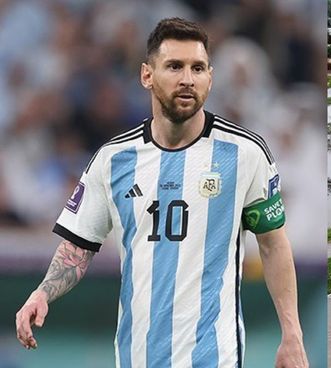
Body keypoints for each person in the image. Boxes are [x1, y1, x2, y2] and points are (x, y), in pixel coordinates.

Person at [15, 17, 308, 368]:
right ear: (147, 75)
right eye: (175, 66)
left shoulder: (245, 153)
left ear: (210, 79)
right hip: (136, 356)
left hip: (215, 358)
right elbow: (79, 245)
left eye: (198, 68)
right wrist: (43, 292)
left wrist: (292, 334)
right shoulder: (113, 160)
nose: (188, 78)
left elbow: (273, 244)